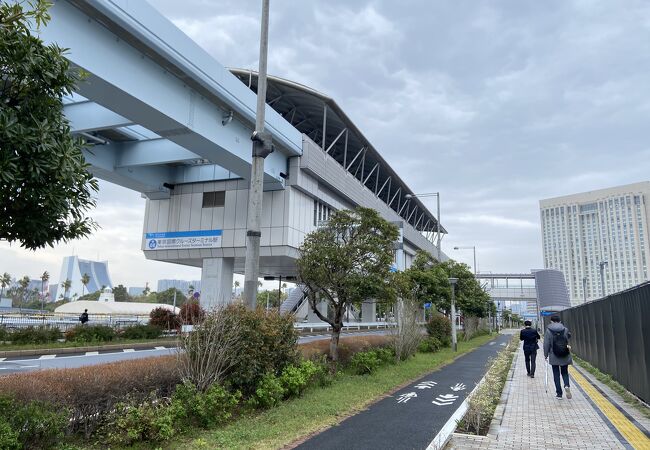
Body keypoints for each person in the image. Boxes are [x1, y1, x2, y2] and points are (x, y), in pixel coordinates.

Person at [544, 315, 573, 400]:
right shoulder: (565, 329)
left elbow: (546, 344)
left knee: (556, 374)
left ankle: (559, 394)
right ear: (560, 321)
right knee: (564, 372)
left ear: (551, 321)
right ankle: (567, 385)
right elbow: (568, 336)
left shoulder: (548, 330)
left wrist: (545, 355)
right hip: (564, 353)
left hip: (554, 354)